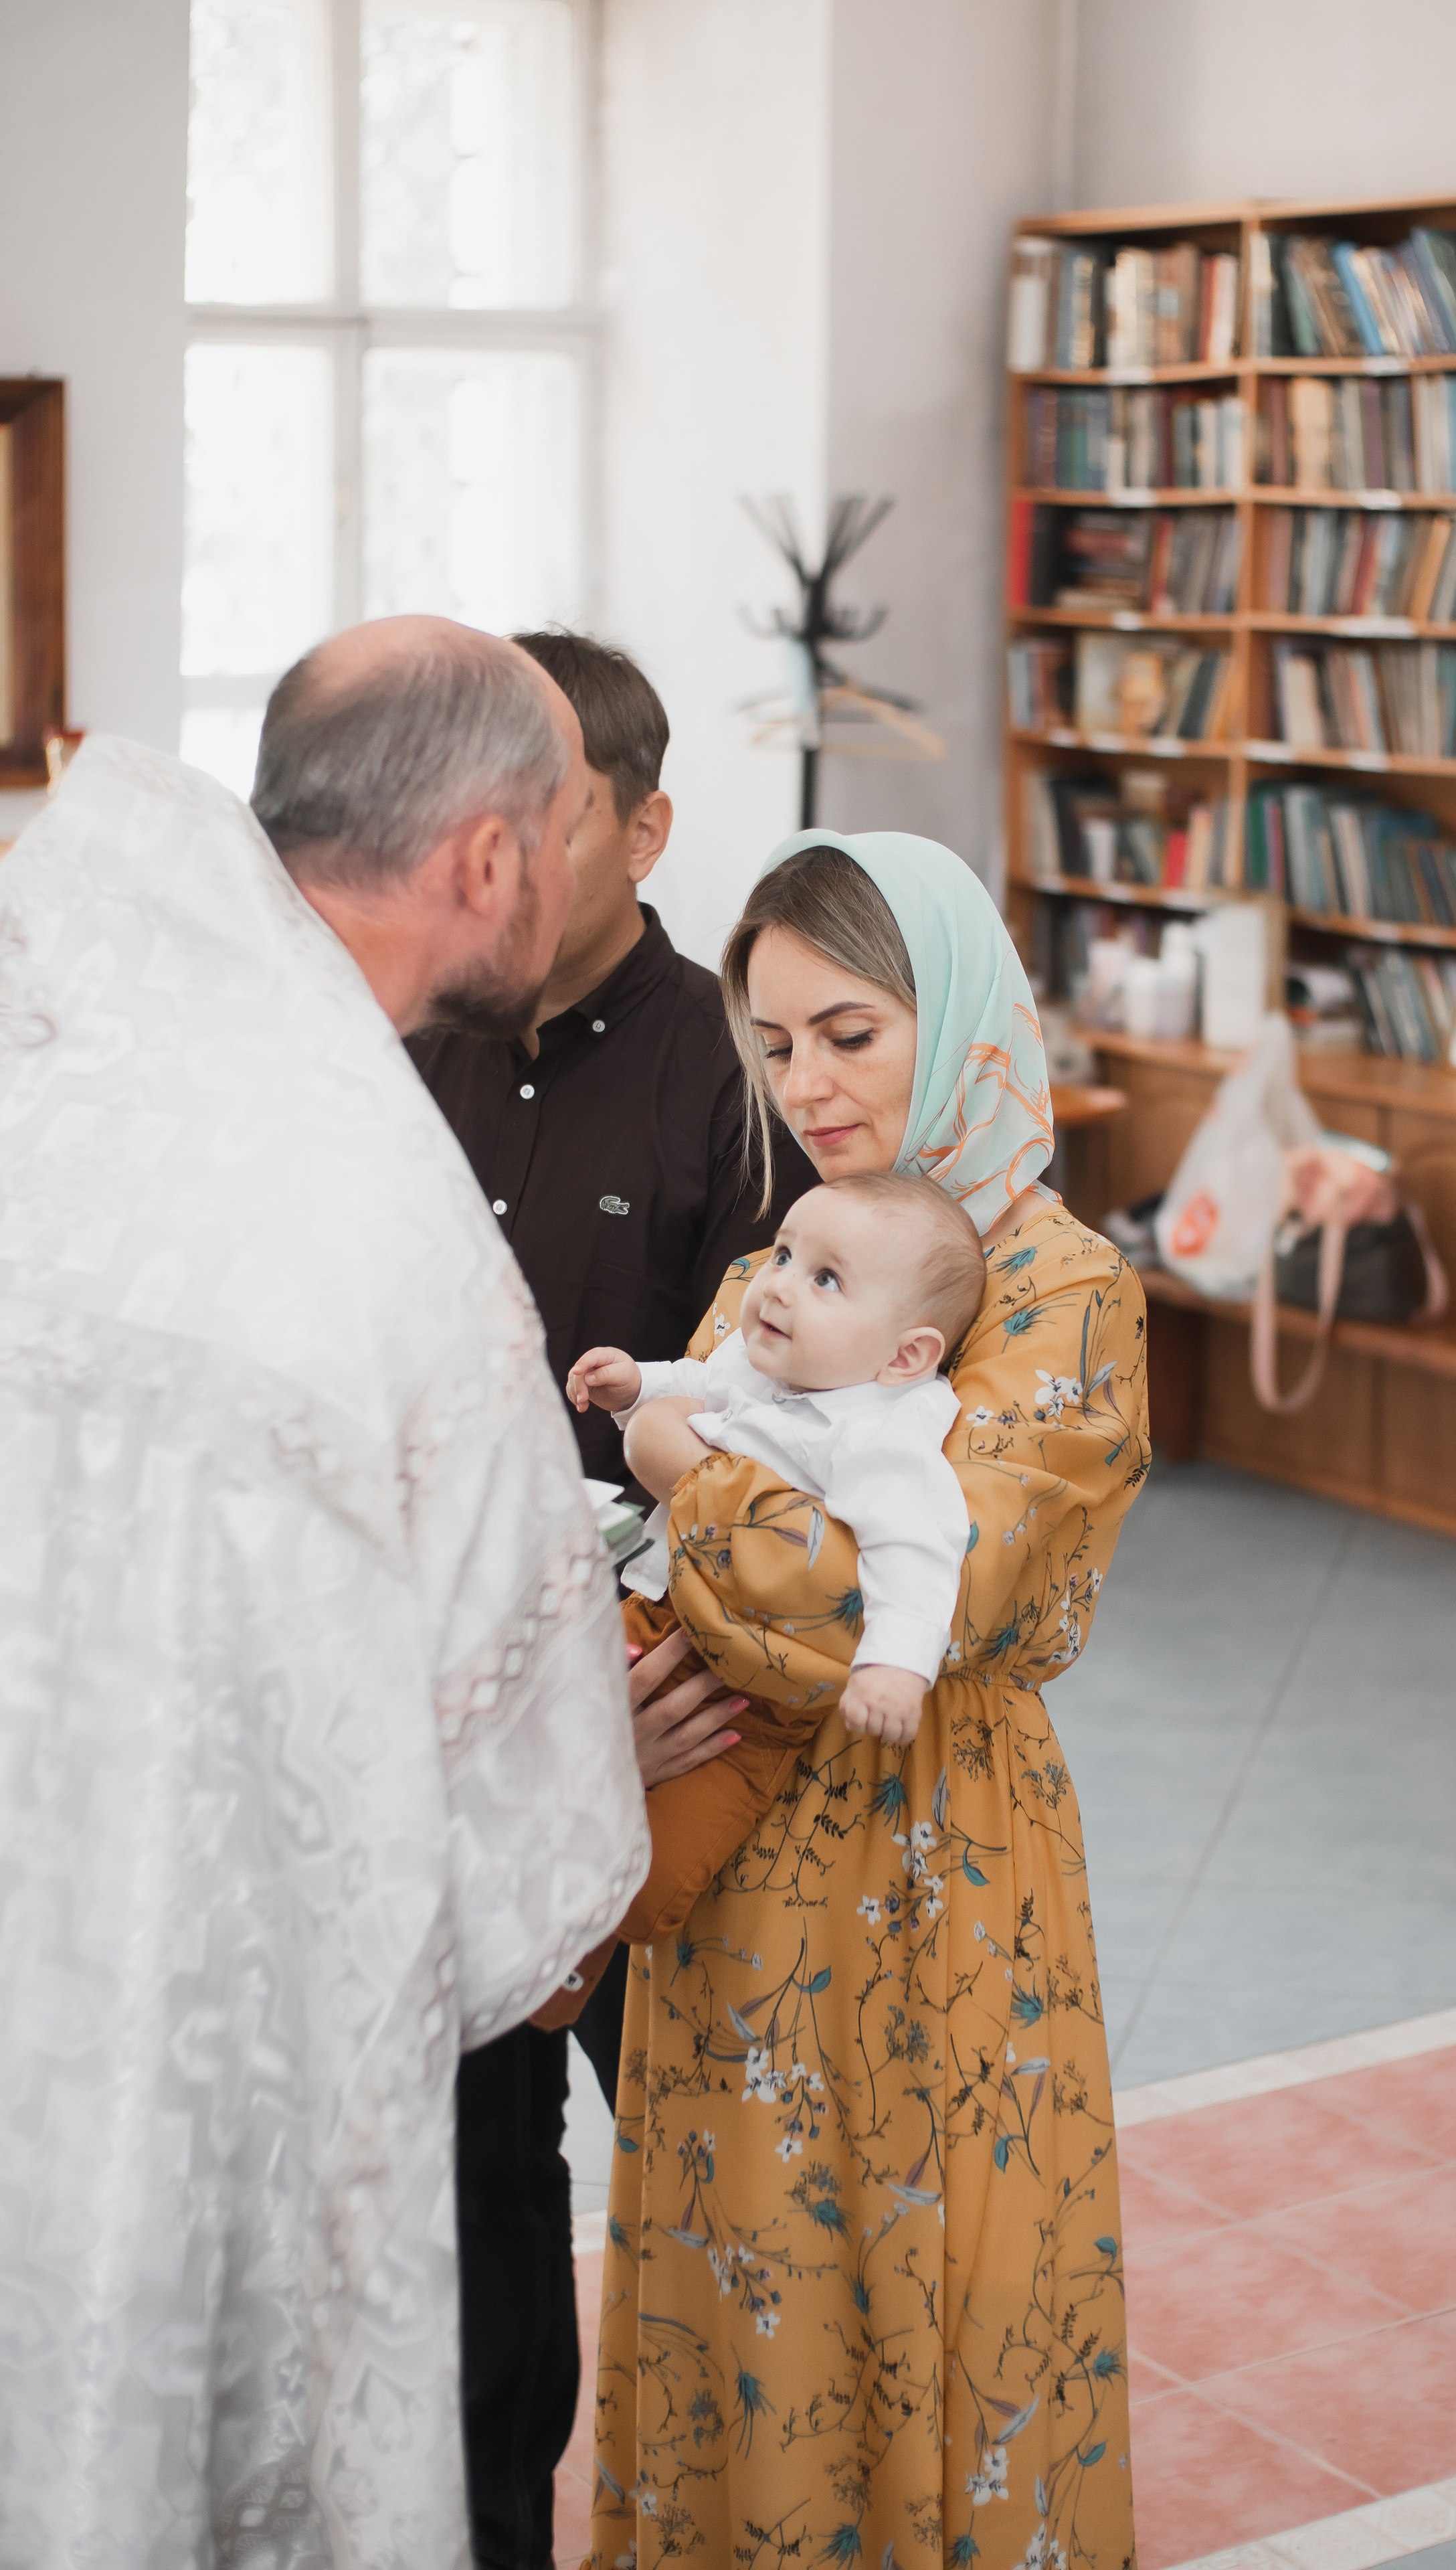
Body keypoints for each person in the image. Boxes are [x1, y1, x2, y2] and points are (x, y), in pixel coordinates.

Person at [0, 616, 652, 2570]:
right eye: (562, 826)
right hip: (234, 2055)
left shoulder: (64, 1069)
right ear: (483, 858)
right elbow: (532, 1906)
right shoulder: (387, 1230)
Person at [584, 830, 1150, 2570]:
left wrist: (679, 1462)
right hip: (744, 1893)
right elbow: (699, 1575)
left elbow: (862, 1605)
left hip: (943, 1880)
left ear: (957, 1011)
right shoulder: (803, 1249)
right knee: (747, 2315)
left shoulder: (1063, 1298)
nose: (806, 1084)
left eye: (850, 1031)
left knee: (951, 2306)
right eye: (774, 1043)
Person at [407, 627, 812, 2570]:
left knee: (714, 2162)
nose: (494, 843)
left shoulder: (744, 1084)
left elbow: (784, 1439)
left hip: (673, 1741)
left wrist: (640, 1692)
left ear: (646, 827)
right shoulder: (407, 1034)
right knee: (486, 2187)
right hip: (456, 1746)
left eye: (545, 805)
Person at [549, 1171, 986, 2008]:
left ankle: (576, 1945)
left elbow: (916, 1545)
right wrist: (634, 1385)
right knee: (534, 1743)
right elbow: (694, 1384)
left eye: (825, 1279)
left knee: (653, 1879)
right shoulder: (757, 1367)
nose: (777, 1285)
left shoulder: (881, 1430)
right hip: (648, 1607)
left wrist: (896, 1664)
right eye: (784, 1255)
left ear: (905, 1354)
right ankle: (528, 1961)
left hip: (743, 1693)